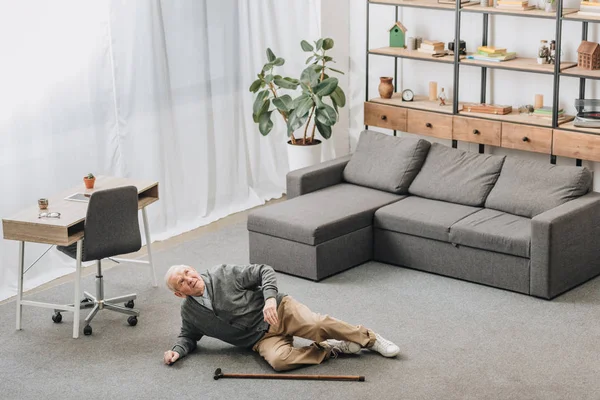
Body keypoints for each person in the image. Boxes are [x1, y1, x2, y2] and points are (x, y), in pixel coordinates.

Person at [162, 263, 400, 371]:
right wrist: (177, 350)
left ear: (193, 269)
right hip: (260, 340)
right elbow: (188, 336)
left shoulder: (223, 274)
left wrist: (269, 299)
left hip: (280, 311)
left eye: (187, 272)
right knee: (279, 362)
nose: (189, 278)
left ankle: (370, 338)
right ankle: (332, 349)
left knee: (316, 324)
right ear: (178, 293)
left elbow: (263, 270)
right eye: (181, 281)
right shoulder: (190, 312)